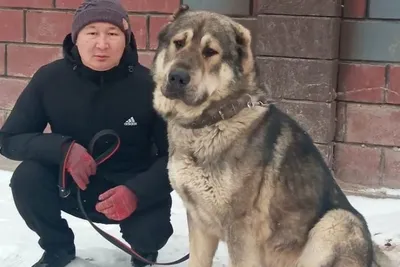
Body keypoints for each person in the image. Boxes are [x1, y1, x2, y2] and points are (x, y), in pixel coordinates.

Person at [0, 0, 174, 266]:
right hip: (71, 186)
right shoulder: (49, 79)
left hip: (131, 186)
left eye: (113, 34)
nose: (102, 44)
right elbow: (9, 139)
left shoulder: (152, 87)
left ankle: (143, 252)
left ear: (126, 40)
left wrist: (136, 191)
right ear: (75, 38)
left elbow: (177, 158)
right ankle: (57, 248)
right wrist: (61, 149)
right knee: (27, 179)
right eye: (92, 33)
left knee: (152, 232)